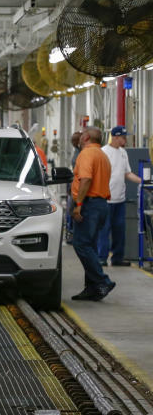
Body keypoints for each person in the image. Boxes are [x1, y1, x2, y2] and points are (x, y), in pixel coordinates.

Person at [69, 127, 115, 301]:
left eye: (81, 136)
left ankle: (102, 281)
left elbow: (86, 179)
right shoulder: (102, 155)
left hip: (89, 204)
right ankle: (92, 288)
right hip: (101, 204)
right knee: (91, 246)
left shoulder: (86, 154)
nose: (79, 139)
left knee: (81, 244)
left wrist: (79, 204)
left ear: (86, 137)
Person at [99, 125, 143, 266]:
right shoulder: (103, 152)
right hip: (106, 199)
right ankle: (102, 257)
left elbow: (127, 173)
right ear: (116, 137)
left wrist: (142, 182)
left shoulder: (123, 153)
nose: (125, 140)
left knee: (119, 230)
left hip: (120, 199)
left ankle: (117, 258)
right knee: (104, 230)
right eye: (124, 137)